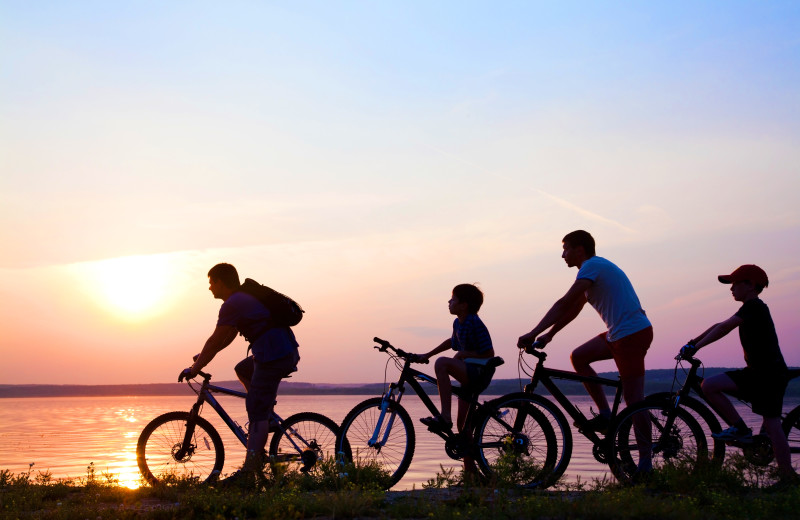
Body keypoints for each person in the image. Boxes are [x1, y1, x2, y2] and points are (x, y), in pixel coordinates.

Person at [517, 230, 653, 471]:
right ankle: (605, 414)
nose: (562, 255)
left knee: (634, 401)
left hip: (631, 334)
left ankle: (645, 462)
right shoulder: (592, 270)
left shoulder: (591, 266)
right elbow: (574, 309)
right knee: (579, 356)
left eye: (565, 249)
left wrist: (533, 331)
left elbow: (564, 303)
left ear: (579, 250)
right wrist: (550, 334)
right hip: (618, 334)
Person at [179, 263, 300, 485]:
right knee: (242, 370)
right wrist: (203, 355)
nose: (209, 288)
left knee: (255, 410)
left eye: (211, 283)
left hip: (273, 355)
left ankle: (248, 474)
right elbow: (228, 336)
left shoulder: (233, 303)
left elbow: (215, 340)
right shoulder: (239, 300)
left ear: (220, 283)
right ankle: (267, 416)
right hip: (279, 350)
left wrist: (194, 369)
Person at [682, 264, 796, 482]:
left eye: (735, 283)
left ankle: (786, 474)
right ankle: (744, 433)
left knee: (711, 386)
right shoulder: (749, 308)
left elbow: (724, 328)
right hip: (760, 373)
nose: (731, 288)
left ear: (751, 285)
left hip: (767, 375)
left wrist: (696, 348)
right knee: (769, 424)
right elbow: (720, 324)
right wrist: (692, 342)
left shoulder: (755, 307)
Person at [415, 284, 495, 476]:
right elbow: (452, 343)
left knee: (442, 364)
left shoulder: (474, 322)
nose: (449, 302)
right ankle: (471, 474)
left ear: (464, 305)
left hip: (479, 372)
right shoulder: (458, 323)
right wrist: (427, 354)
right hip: (469, 372)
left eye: (453, 299)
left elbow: (489, 353)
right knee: (463, 427)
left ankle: (444, 416)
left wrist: (463, 353)